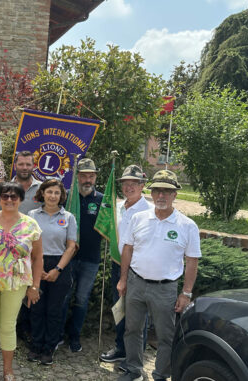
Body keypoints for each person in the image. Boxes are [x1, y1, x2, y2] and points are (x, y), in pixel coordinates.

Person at [116, 170, 200, 381]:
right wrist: (123, 279)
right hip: (136, 282)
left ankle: (161, 375)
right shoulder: (138, 218)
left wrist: (186, 293)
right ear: (151, 193)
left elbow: (192, 261)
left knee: (165, 337)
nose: (161, 195)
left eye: (167, 191)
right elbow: (127, 250)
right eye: (157, 191)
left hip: (165, 288)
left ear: (175, 195)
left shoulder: (187, 226)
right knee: (132, 330)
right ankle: (134, 371)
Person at [0, 182, 43, 381]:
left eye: (14, 196)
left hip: (17, 282)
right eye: (5, 196)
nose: (9, 200)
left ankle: (8, 370)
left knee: (7, 325)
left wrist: (35, 286)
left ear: (21, 200)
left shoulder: (31, 224)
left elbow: (38, 257)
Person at [100, 165, 151, 365]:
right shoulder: (119, 206)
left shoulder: (149, 210)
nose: (129, 187)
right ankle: (121, 349)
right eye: (125, 184)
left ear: (142, 185)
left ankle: (135, 357)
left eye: (134, 184)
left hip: (137, 270)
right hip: (117, 264)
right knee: (119, 309)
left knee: (138, 316)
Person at [26, 179, 77, 365]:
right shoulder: (32, 215)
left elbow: (71, 247)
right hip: (35, 263)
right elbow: (27, 244)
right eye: (49, 192)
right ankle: (36, 345)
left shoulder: (69, 217)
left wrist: (57, 269)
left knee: (54, 310)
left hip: (59, 264)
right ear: (43, 193)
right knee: (36, 308)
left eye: (56, 193)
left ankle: (49, 348)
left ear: (61, 195)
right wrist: (36, 269)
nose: (53, 196)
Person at [63, 158, 103, 353]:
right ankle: (58, 335)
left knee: (81, 298)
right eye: (84, 175)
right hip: (68, 257)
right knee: (64, 296)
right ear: (77, 176)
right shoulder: (67, 197)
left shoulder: (103, 200)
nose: (88, 179)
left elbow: (109, 226)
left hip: (90, 259)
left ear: (95, 177)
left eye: (91, 176)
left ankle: (74, 336)